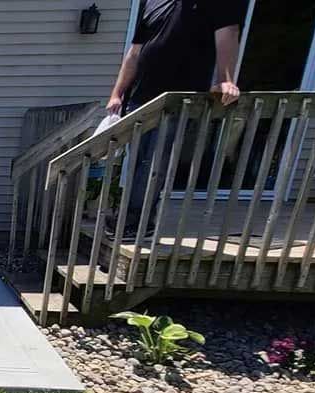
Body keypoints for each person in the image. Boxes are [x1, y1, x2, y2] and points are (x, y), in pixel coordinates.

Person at [105, 0, 246, 238]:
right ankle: (133, 217)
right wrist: (117, 94)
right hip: (140, 98)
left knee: (154, 163)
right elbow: (134, 53)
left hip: (176, 101)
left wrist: (225, 79)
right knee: (139, 161)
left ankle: (135, 222)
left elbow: (228, 35)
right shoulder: (153, 2)